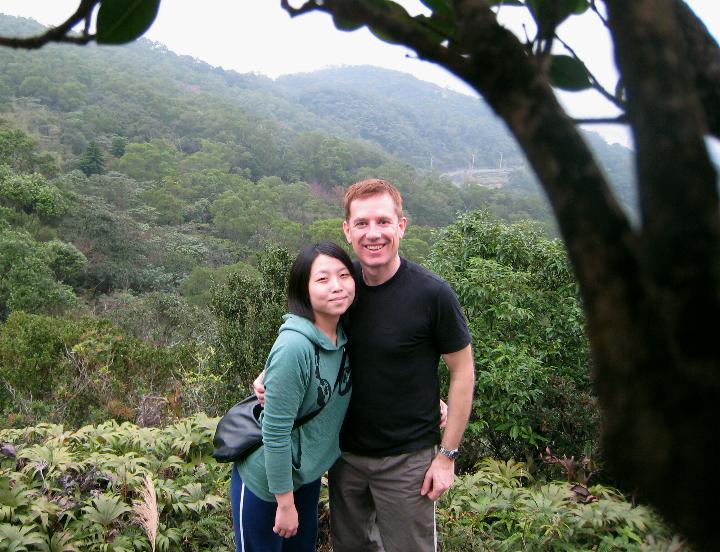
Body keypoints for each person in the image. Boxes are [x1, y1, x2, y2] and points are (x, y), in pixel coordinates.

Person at [257, 179, 475, 552]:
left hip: (407, 460)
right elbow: (305, 335)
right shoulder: (342, 285)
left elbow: (463, 372)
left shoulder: (432, 294)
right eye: (362, 223)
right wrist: (269, 373)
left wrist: (447, 455)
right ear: (347, 230)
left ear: (401, 226)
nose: (373, 234)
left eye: (383, 221)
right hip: (345, 457)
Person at [231, 241, 356, 552]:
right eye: (323, 279)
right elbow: (275, 432)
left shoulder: (344, 335)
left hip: (304, 477)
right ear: (304, 289)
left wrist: (423, 401)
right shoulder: (294, 347)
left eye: (344, 275)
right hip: (267, 485)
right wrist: (285, 504)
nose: (337, 286)